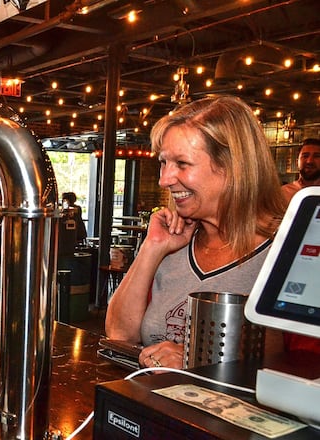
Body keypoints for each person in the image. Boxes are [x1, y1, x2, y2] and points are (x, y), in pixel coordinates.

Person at [105, 95, 287, 370]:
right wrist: (152, 248)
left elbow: (295, 368)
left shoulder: (288, 253)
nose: (164, 180)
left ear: (232, 167)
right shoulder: (174, 244)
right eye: (164, 163)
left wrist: (194, 357)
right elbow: (119, 334)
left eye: (182, 163)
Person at [281, 138, 320, 353]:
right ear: (298, 160)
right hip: (288, 273)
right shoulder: (283, 195)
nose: (310, 160)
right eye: (305, 155)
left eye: (316, 156)